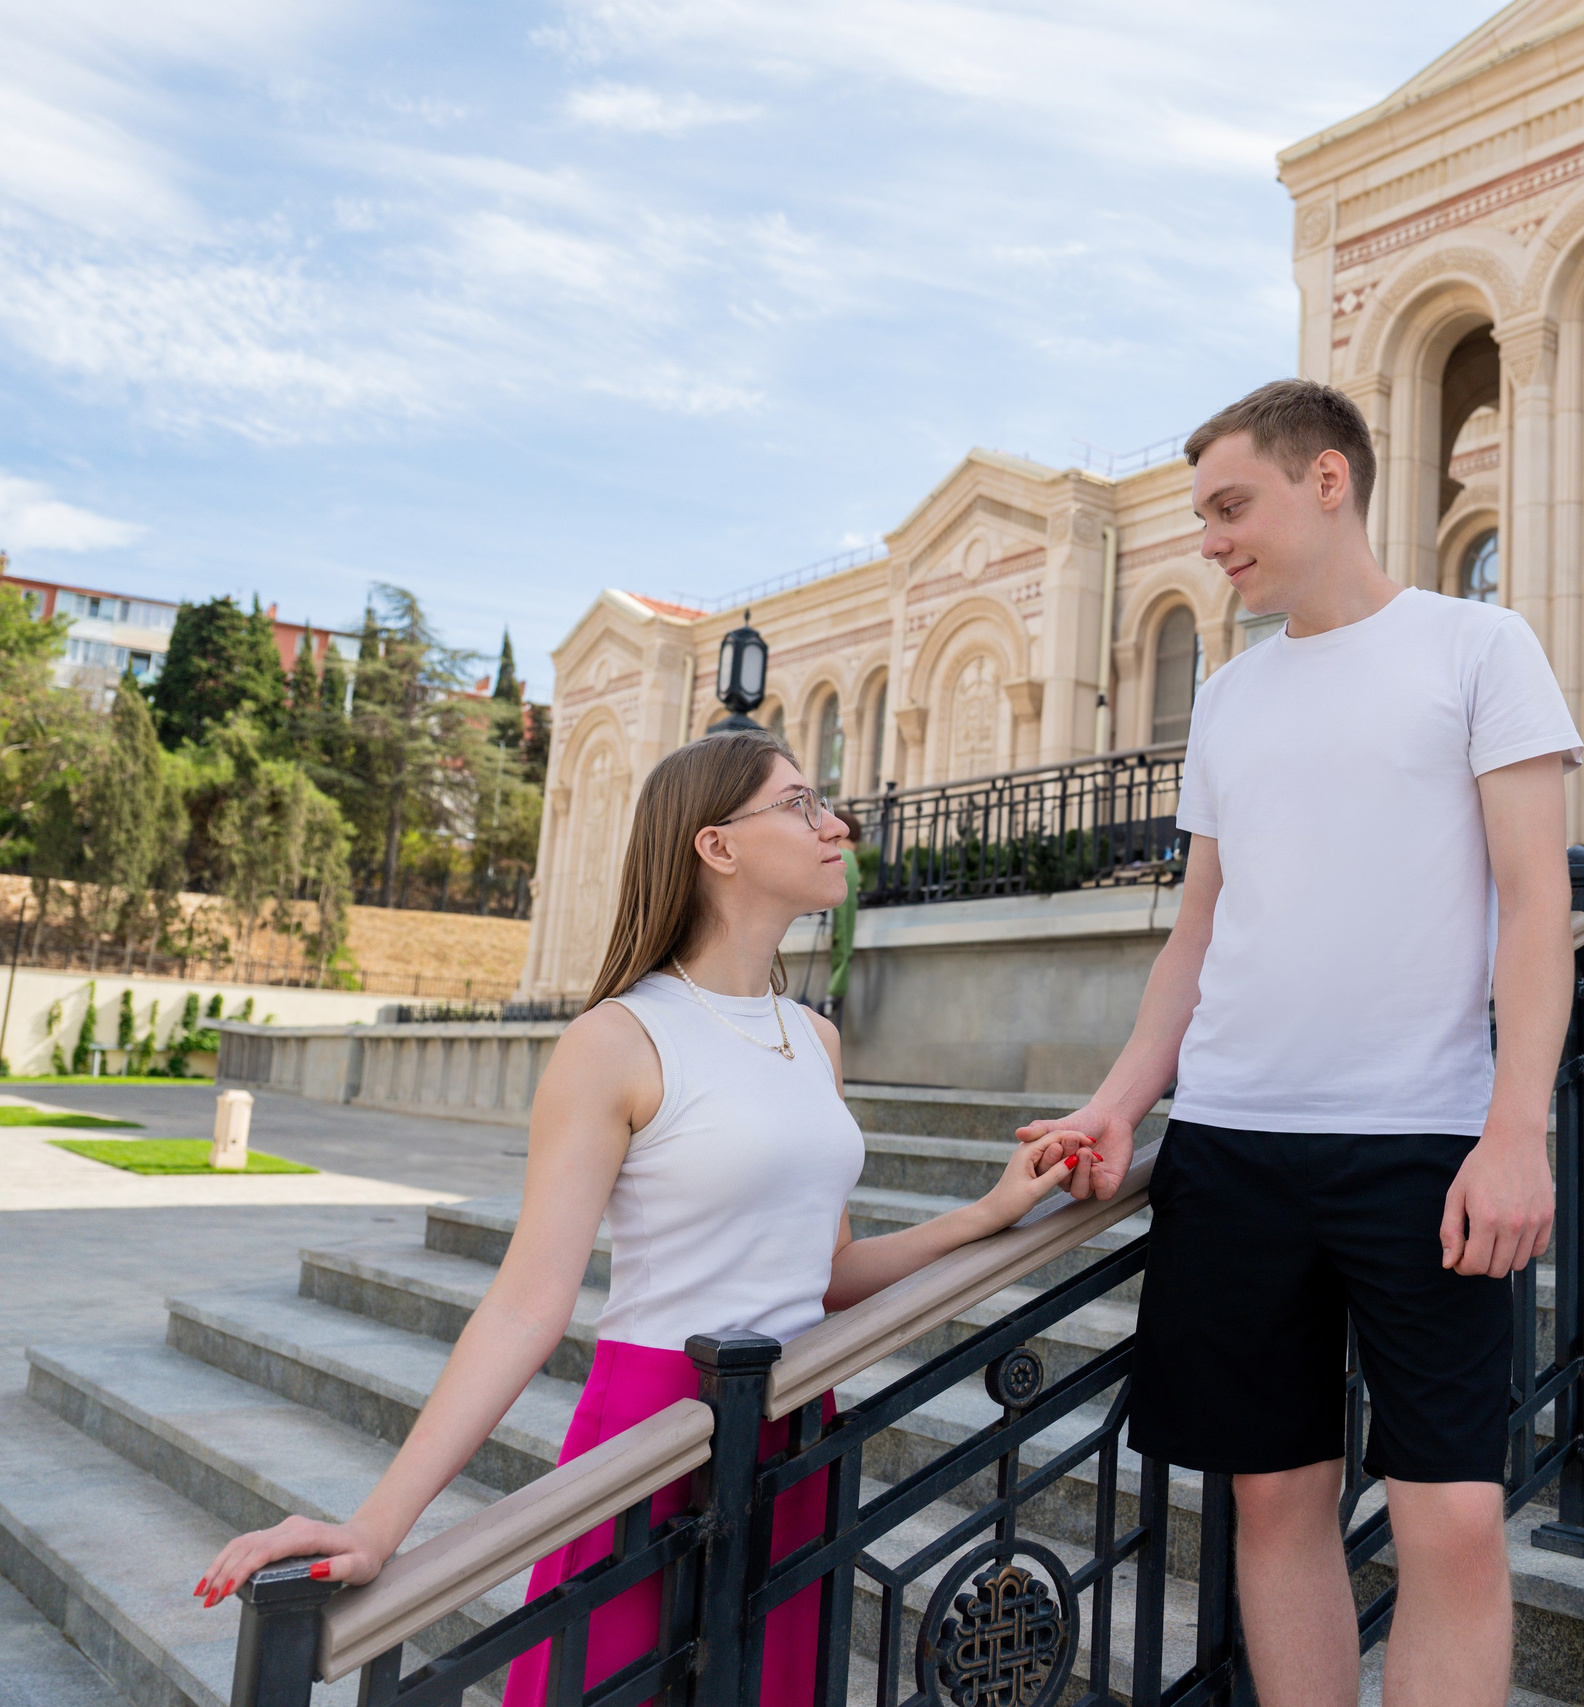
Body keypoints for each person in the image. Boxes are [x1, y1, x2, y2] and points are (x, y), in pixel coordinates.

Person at [193, 730, 1087, 1704]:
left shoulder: (815, 1038)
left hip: (796, 1423)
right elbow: (527, 1305)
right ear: (717, 846)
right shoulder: (616, 1039)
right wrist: (378, 1525)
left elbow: (822, 1275)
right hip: (654, 1426)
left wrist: (990, 1213)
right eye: (800, 803)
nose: (837, 824)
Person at [1022, 379, 1579, 1707]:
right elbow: (1196, 936)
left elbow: (1537, 901)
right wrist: (1118, 1102)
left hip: (1423, 1147)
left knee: (1449, 1517)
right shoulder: (1230, 697)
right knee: (1271, 1501)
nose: (1211, 540)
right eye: (1201, 516)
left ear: (1327, 479)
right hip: (1230, 1147)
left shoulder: (1479, 647)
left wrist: (1516, 1130)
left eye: (1230, 506)